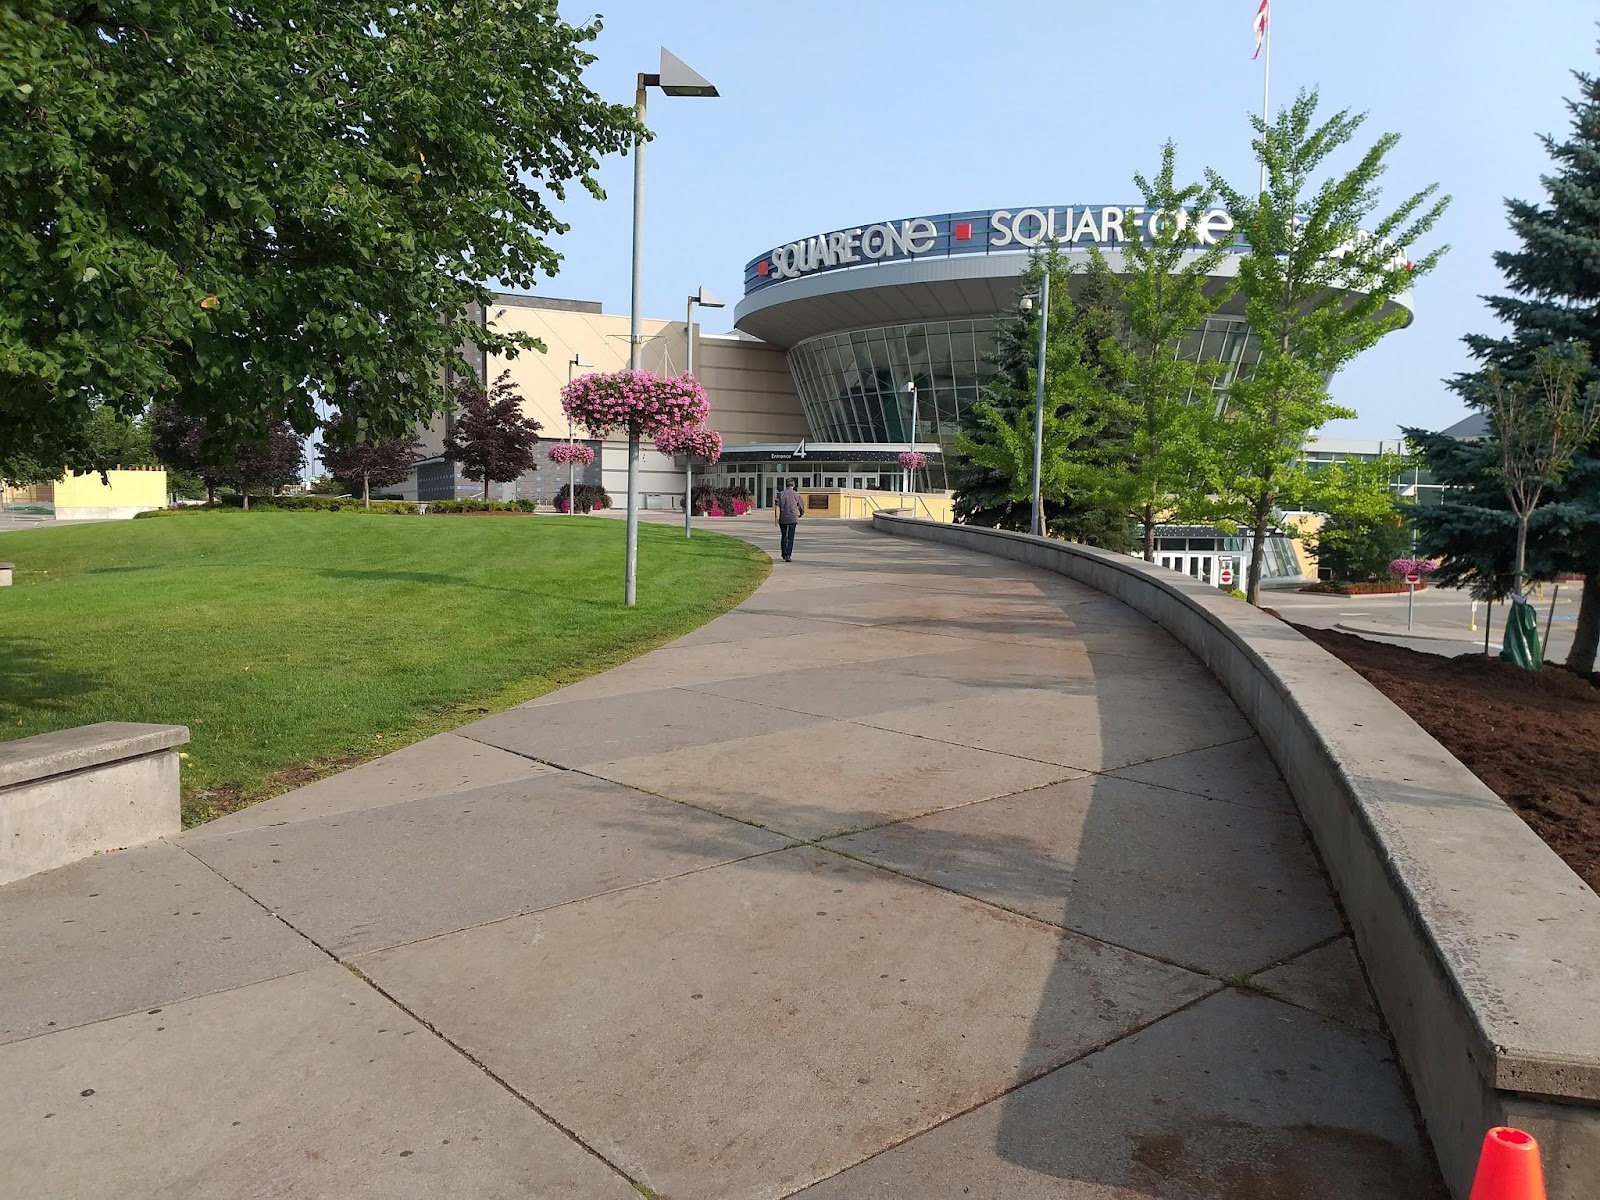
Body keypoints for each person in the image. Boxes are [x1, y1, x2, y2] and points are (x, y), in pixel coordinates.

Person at [774, 478, 803, 562]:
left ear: (786, 485)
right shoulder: (796, 495)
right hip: (792, 518)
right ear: (793, 485)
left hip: (783, 518)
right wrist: (801, 513)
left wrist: (776, 517)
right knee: (791, 537)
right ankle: (788, 555)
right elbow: (801, 506)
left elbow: (777, 506)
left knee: (784, 536)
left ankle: (784, 554)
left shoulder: (781, 494)